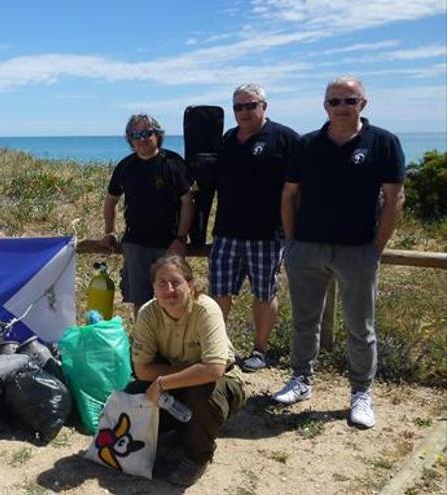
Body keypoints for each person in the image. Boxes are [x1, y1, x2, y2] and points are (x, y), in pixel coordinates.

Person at [273, 76, 405, 429]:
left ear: (363, 103)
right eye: (335, 101)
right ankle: (301, 379)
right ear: (325, 106)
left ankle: (361, 392)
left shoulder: (384, 143)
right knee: (304, 321)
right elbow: (289, 194)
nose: (342, 107)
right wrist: (291, 241)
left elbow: (395, 199)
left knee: (360, 327)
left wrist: (376, 248)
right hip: (308, 248)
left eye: (350, 100)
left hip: (358, 251)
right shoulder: (307, 144)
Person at [127, 255, 246, 486]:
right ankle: (179, 432)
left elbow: (214, 368)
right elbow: (142, 370)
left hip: (224, 381)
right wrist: (187, 374)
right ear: (153, 288)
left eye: (176, 282)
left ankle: (198, 456)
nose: (169, 289)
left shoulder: (206, 309)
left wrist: (163, 382)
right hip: (178, 374)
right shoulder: (148, 313)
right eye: (162, 283)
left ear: (190, 285)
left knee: (202, 394)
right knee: (134, 394)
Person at [208, 84, 300, 371]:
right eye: (238, 107)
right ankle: (218, 348)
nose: (244, 112)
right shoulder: (227, 140)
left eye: (251, 105)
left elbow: (298, 190)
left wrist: (294, 232)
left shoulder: (285, 139)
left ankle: (259, 350)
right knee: (219, 293)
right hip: (226, 232)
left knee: (264, 293)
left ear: (264, 106)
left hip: (267, 235)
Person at [100, 114, 193, 316]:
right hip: (136, 243)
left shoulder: (173, 162)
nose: (141, 138)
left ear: (157, 135)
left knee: (173, 296)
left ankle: (172, 344)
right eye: (136, 134)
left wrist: (180, 238)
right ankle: (144, 345)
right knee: (141, 301)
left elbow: (187, 202)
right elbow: (110, 201)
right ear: (130, 139)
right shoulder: (125, 166)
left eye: (146, 133)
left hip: (169, 243)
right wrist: (109, 231)